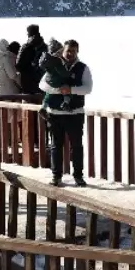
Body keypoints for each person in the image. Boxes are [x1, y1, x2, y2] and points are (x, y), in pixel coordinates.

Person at [41, 40, 93, 187]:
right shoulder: (53, 64)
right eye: (68, 50)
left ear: (77, 52)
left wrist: (71, 90)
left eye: (73, 51)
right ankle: (56, 176)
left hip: (75, 113)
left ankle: (78, 176)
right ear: (63, 51)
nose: (70, 53)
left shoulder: (83, 68)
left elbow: (88, 88)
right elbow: (42, 84)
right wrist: (59, 90)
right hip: (55, 113)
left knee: (76, 146)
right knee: (56, 146)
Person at [16, 24, 47, 95]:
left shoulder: (26, 47)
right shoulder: (44, 47)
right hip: (41, 84)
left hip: (29, 84)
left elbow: (18, 65)